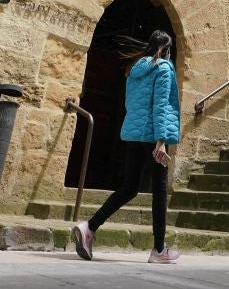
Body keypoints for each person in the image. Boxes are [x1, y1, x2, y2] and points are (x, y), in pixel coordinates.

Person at [72, 30, 182, 265]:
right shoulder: (163, 68)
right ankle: (159, 249)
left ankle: (90, 227)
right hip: (153, 135)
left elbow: (133, 103)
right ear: (164, 49)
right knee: (160, 190)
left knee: (129, 188)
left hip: (134, 134)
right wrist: (161, 140)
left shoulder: (135, 70)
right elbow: (161, 105)